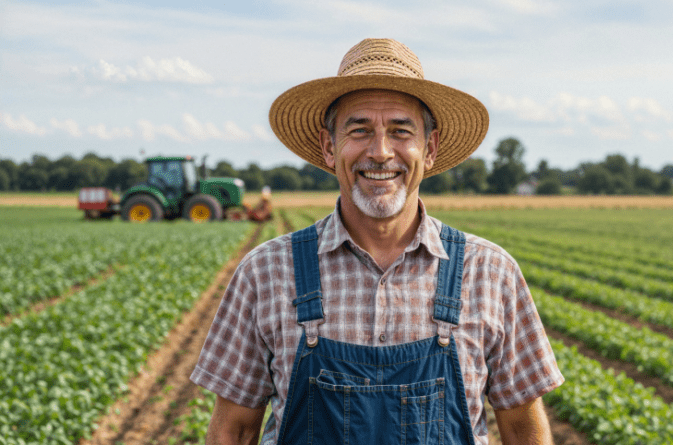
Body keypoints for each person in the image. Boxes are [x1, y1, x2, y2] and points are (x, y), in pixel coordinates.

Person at [191, 38, 564, 445]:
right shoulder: (265, 272)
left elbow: (522, 429)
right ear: (329, 147)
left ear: (430, 148)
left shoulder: (490, 273)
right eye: (360, 129)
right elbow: (234, 430)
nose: (381, 152)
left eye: (401, 131)